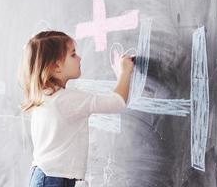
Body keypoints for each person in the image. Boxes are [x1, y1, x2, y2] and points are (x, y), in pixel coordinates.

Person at [18, 31, 134, 187]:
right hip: (55, 179)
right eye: (73, 55)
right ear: (56, 66)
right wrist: (124, 72)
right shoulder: (65, 99)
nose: (80, 58)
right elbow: (118, 102)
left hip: (44, 176)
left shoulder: (43, 96)